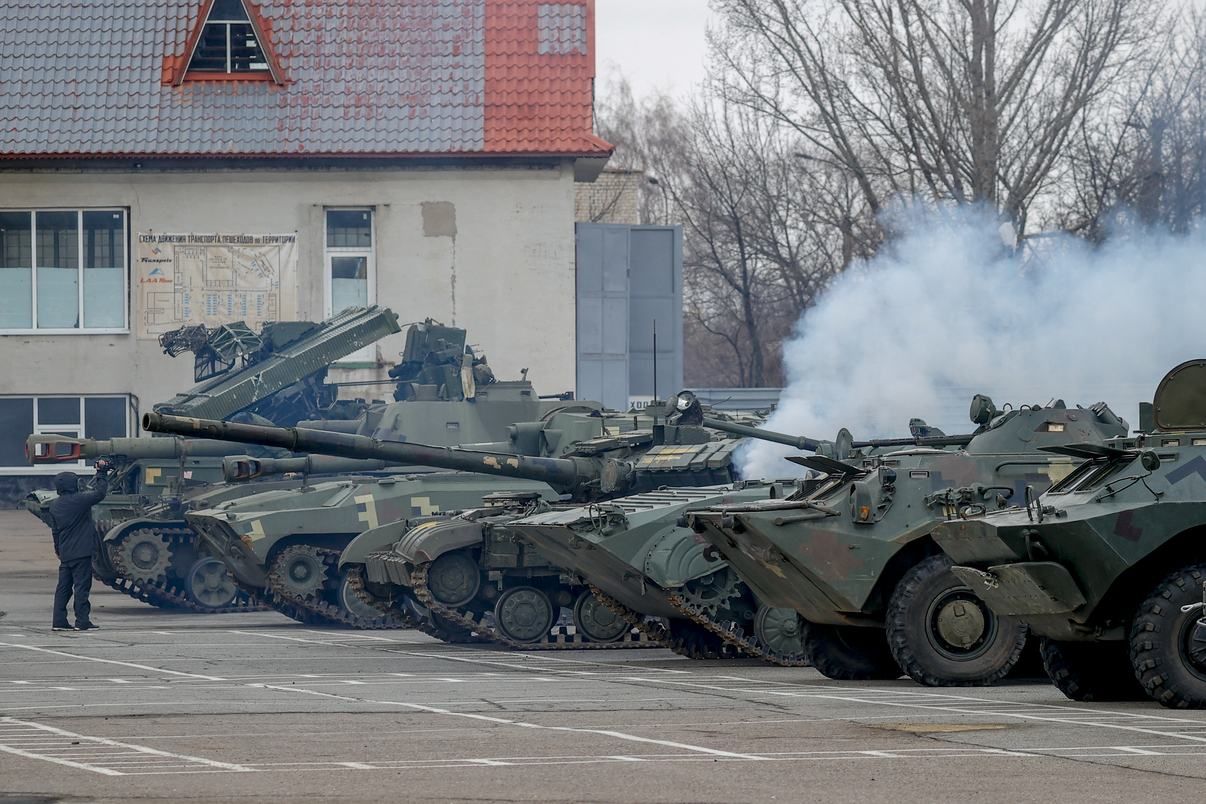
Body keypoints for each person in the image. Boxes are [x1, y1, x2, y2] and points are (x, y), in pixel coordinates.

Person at [47, 460, 112, 632]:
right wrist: (102, 472)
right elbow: (99, 494)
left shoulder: (55, 505)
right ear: (72, 485)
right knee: (82, 587)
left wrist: (58, 549)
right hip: (81, 551)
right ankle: (82, 621)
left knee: (63, 588)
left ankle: (59, 621)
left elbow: (55, 531)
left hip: (66, 552)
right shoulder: (78, 500)